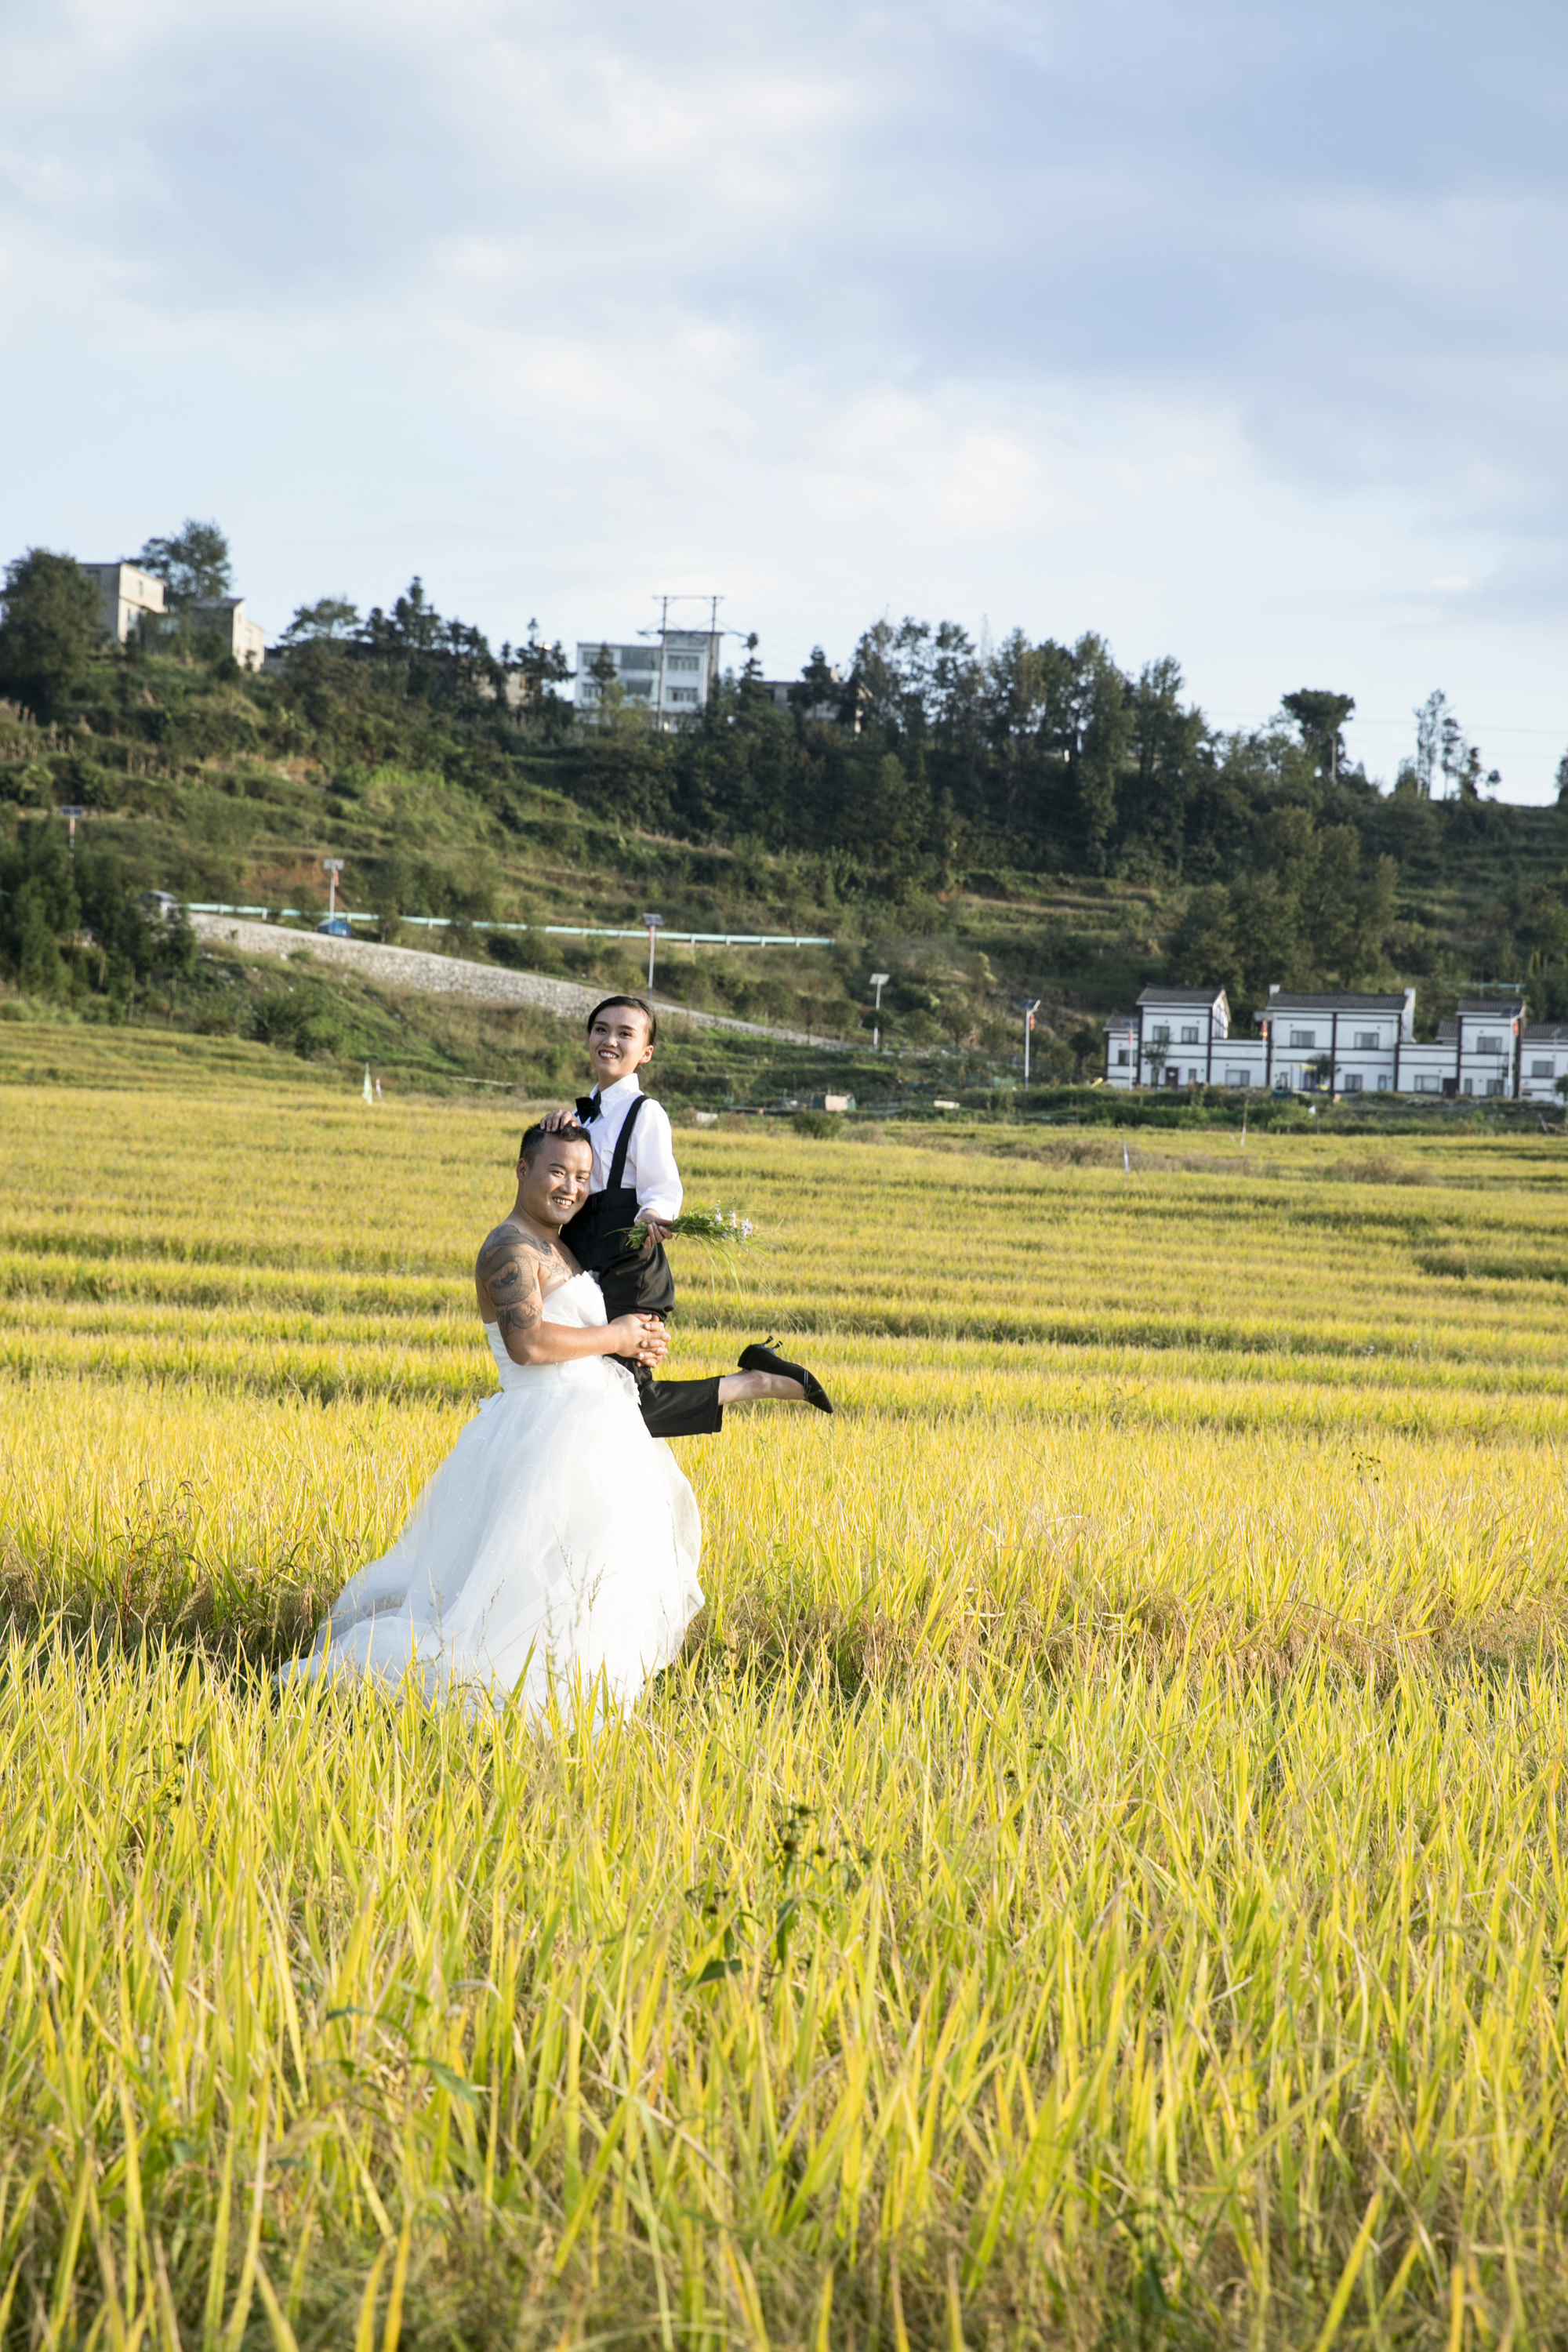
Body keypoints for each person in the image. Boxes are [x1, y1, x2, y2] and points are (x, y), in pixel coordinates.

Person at [287, 1123, 704, 1715]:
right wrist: (615, 1334)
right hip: (545, 1433)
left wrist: (632, 1344)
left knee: (587, 1579)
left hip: (589, 1428)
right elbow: (528, 1343)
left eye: (583, 1176)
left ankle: (581, 1701)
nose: (571, 1187)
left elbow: (577, 1333)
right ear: (522, 1170)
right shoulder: (509, 1247)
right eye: (557, 1171)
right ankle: (516, 1695)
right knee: (525, 1586)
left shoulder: (557, 1245)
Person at [543, 994, 832, 1435]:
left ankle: (756, 1381)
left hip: (629, 1265)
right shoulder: (583, 1114)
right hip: (583, 1261)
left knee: (630, 1401)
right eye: (601, 1029)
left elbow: (663, 1186)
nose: (610, 1040)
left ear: (646, 1053)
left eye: (626, 1033)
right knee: (594, 1388)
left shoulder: (647, 1113)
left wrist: (652, 1218)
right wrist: (558, 1129)